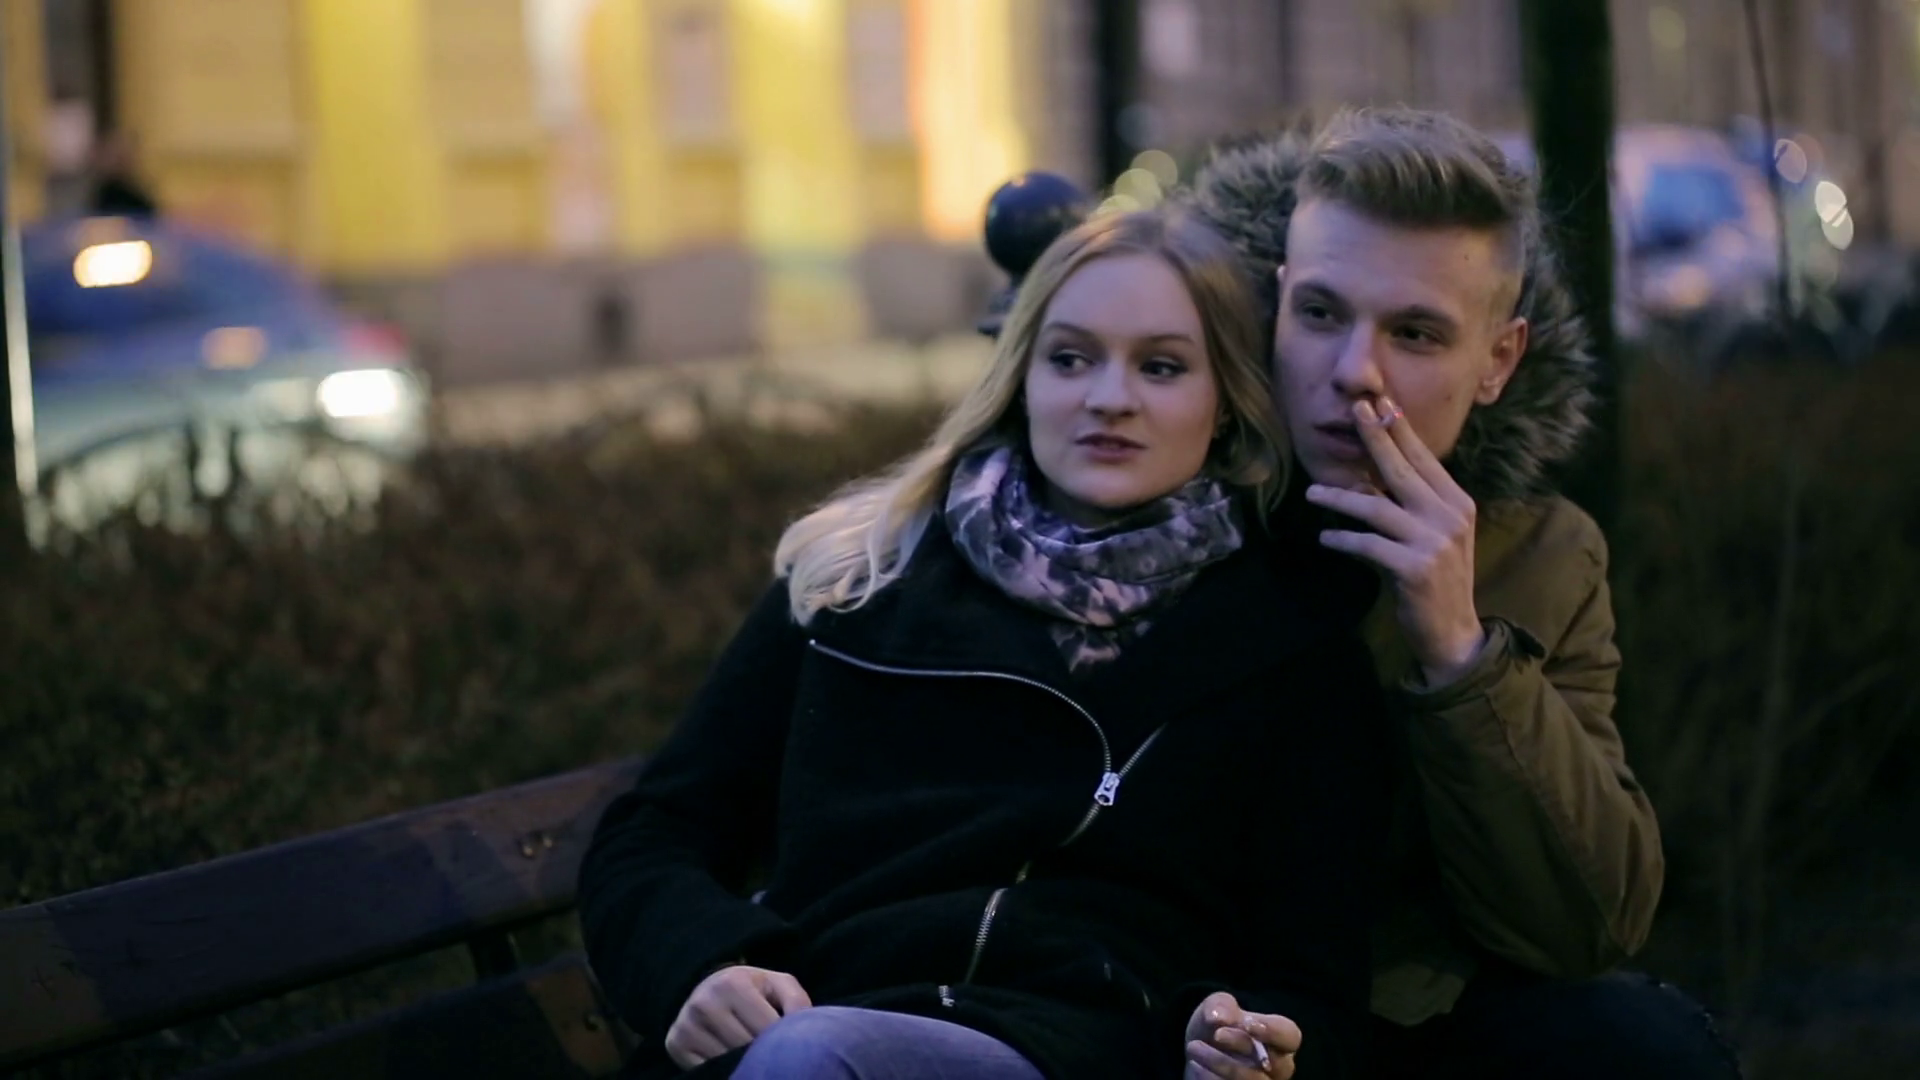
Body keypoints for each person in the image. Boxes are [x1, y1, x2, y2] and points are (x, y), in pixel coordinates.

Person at [578, 207, 1397, 1080]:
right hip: (816, 1019)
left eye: (1161, 366)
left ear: (1226, 400)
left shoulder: (1290, 649)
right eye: (1071, 358)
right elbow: (657, 832)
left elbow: (1315, 986)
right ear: (1022, 379)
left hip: (1081, 1049)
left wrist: (1245, 1046)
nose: (1109, 397)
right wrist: (701, 964)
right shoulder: (860, 576)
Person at [1182, 107, 1742, 1079]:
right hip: (1179, 999)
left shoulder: (1542, 555)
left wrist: (1460, 654)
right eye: (1320, 314)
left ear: (1498, 360)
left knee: (1645, 1049)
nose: (1354, 372)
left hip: (1410, 1015)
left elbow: (1589, 924)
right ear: (1274, 303)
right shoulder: (1166, 495)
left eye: (1415, 333)